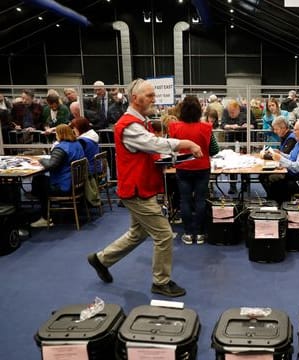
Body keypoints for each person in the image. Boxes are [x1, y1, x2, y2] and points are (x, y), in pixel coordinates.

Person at [87, 78, 203, 298]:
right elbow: (154, 144)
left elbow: (149, 150)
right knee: (164, 235)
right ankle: (161, 282)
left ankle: (101, 259)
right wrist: (185, 143)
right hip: (137, 190)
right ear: (135, 99)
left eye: (153, 94)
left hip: (139, 187)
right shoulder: (130, 124)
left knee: (137, 233)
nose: (154, 99)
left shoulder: (139, 122)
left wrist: (170, 157)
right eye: (149, 95)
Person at [168, 95, 220, 245]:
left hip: (183, 168)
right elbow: (214, 150)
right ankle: (201, 233)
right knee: (200, 200)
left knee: (185, 200)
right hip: (202, 167)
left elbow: (171, 148)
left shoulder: (174, 127)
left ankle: (189, 233)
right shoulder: (206, 127)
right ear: (199, 110)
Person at [30, 124, 85, 227]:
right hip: (76, 183)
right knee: (41, 180)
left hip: (64, 185)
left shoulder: (61, 147)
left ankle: (45, 217)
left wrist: (40, 160)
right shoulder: (77, 144)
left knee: (38, 180)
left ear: (60, 134)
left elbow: (52, 165)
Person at [265, 119, 299, 204]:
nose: (293, 132)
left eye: (295, 130)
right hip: (296, 176)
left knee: (276, 184)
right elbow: (291, 157)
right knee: (270, 179)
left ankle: (281, 207)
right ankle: (276, 205)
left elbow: (298, 167)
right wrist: (280, 154)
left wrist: (280, 159)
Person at [259, 115, 297, 196]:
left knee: (266, 176)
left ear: (283, 128)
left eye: (276, 129)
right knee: (262, 175)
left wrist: (265, 156)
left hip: (290, 171)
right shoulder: (286, 137)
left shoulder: (291, 139)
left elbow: (283, 156)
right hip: (285, 167)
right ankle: (272, 197)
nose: (275, 132)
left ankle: (274, 198)